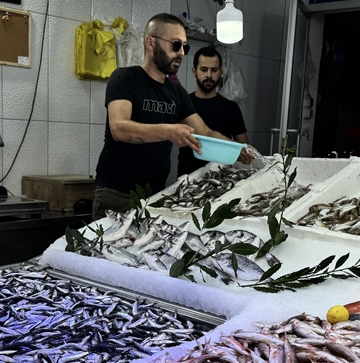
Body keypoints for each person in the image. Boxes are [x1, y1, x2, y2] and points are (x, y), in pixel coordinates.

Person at [93, 13, 254, 219]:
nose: (181, 53)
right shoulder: (125, 78)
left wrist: (238, 148)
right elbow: (119, 128)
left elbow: (204, 131)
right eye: (176, 45)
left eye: (185, 47)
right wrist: (168, 131)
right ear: (150, 43)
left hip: (156, 195)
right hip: (116, 193)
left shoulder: (176, 92)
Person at [177, 47, 248, 176]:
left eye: (214, 70)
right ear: (194, 71)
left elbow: (243, 148)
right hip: (186, 179)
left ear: (220, 72)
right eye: (204, 70)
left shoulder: (231, 109)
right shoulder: (184, 103)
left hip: (221, 180)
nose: (209, 75)